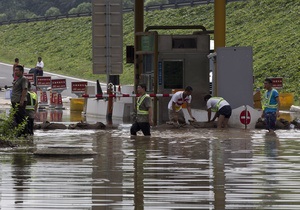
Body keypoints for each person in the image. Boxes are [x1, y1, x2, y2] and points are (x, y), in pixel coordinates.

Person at [11, 65, 28, 136]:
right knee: (16, 117)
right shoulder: (17, 79)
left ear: (21, 71)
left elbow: (25, 89)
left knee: (21, 117)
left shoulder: (23, 79)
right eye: (15, 70)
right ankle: (18, 132)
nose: (15, 72)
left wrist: (22, 100)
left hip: (19, 102)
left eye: (17, 70)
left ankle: (24, 133)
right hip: (15, 101)